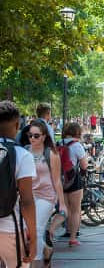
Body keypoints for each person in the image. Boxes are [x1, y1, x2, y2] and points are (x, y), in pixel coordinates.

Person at [25, 120, 68, 267]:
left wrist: (62, 203)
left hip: (47, 196)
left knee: (36, 228)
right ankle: (45, 249)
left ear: (44, 137)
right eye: (30, 135)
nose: (32, 138)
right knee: (26, 230)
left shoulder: (51, 153)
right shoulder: (25, 151)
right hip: (29, 196)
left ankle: (36, 262)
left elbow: (57, 180)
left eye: (36, 136)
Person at [0, 101, 37, 267]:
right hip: (10, 227)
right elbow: (27, 201)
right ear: (18, 124)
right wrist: (34, 237)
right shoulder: (22, 155)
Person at [60, 123, 88, 246]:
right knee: (76, 210)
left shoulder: (58, 143)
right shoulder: (77, 146)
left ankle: (64, 230)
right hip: (73, 179)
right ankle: (73, 238)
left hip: (59, 179)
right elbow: (84, 165)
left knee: (65, 209)